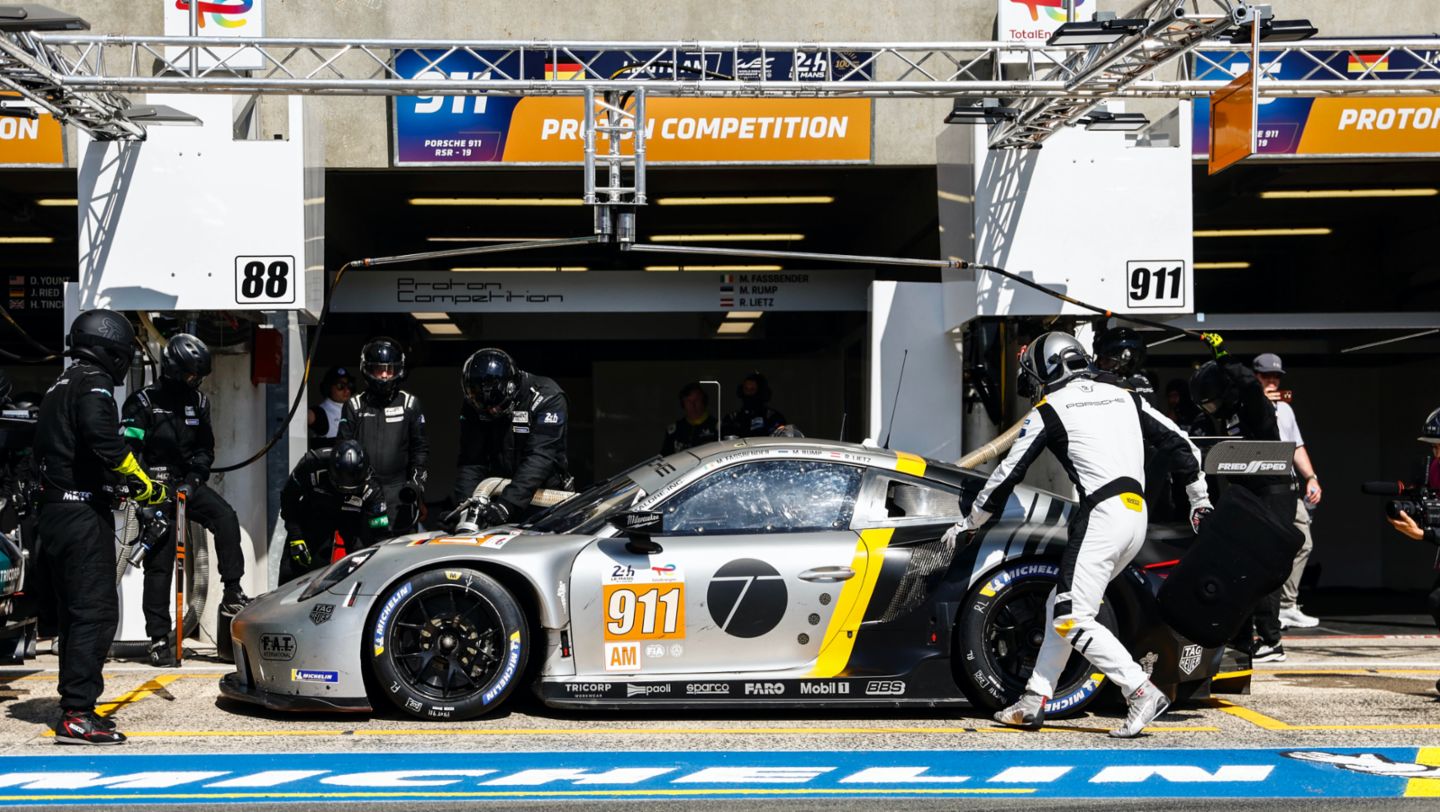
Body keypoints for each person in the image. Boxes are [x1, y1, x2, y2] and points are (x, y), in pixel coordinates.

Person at [941, 332, 1211, 738]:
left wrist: (970, 523)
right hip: (1135, 516)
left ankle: (1140, 690)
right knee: (1061, 605)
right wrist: (1199, 499)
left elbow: (1006, 475)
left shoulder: (1050, 408)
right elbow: (1182, 445)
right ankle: (1034, 700)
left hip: (1101, 515)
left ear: (1046, 369)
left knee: (1071, 616)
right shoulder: (1125, 396)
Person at [35, 309, 169, 745]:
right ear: (110, 349)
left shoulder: (60, 384)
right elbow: (101, 437)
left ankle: (77, 706)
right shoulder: (92, 382)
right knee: (95, 612)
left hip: (56, 513)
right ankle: (77, 714)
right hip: (79, 514)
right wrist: (141, 481)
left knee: (76, 615)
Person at [122, 333, 250, 667]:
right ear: (175, 369)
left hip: (186, 484)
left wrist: (194, 481)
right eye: (192, 375)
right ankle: (158, 639)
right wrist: (146, 497)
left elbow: (205, 449)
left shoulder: (199, 402)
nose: (196, 381)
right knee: (160, 563)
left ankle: (233, 589)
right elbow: (129, 453)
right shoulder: (142, 402)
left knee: (225, 516)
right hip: (154, 488)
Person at [1189, 333, 1293, 663]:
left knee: (1263, 566)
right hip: (1249, 496)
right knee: (1240, 566)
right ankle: (1244, 637)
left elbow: (1248, 383)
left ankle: (1271, 640)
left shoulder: (1254, 406)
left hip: (1273, 495)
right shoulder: (1228, 418)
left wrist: (1222, 355)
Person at [455, 348, 570, 526]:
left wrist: (507, 504)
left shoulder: (548, 397)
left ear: (512, 387)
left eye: (498, 406)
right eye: (485, 409)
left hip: (544, 498)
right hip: (495, 495)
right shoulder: (476, 403)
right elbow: (471, 459)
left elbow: (540, 457)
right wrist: (465, 508)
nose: (492, 411)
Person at [1253, 352, 1322, 630]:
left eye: (1276, 377)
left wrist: (1311, 477)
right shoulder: (1246, 405)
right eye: (1266, 376)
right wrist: (1258, 402)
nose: (1272, 381)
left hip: (1287, 486)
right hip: (1260, 487)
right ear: (1255, 377)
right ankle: (1262, 613)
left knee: (1303, 541)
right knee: (1263, 547)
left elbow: (1296, 446)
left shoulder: (1285, 409)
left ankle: (1286, 605)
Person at [337, 338, 427, 537]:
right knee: (361, 551)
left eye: (390, 369)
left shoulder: (410, 404)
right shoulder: (354, 406)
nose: (385, 375)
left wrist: (416, 486)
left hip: (399, 498)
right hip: (362, 494)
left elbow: (419, 450)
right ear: (368, 369)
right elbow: (342, 451)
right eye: (380, 369)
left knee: (400, 551)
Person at [279, 440, 389, 584]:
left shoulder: (373, 487)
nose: (344, 491)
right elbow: (288, 499)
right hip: (314, 513)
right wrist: (295, 535)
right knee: (293, 566)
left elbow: (379, 532)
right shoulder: (312, 464)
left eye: (351, 489)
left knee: (365, 561)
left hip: (352, 519)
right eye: (341, 486)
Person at [1093, 326, 1156, 406]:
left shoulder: (1134, 383)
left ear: (1125, 360)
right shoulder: (1136, 380)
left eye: (1107, 360)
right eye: (1100, 358)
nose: (1101, 362)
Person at [723, 372, 786, 438]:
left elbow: (781, 437)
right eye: (746, 389)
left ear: (760, 392)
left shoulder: (773, 417)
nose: (748, 393)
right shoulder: (732, 419)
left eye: (752, 389)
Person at [662, 382, 718, 455]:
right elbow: (665, 456)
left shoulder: (716, 427)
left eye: (697, 400)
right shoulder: (675, 430)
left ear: (703, 401)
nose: (693, 405)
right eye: (688, 401)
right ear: (683, 404)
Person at [307, 366, 353, 450]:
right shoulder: (319, 412)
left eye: (349, 385)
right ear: (328, 388)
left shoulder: (355, 409)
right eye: (340, 386)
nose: (347, 390)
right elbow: (302, 416)